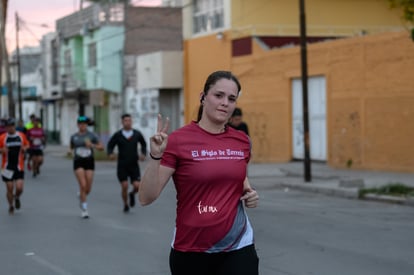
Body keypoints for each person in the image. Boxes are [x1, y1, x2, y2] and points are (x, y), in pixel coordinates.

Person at [139, 71, 260, 275]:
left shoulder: (242, 141)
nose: (225, 103)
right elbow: (145, 197)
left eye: (232, 99)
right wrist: (155, 156)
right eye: (218, 95)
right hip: (191, 249)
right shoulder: (178, 141)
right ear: (203, 97)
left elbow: (238, 178)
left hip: (238, 245)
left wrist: (250, 193)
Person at [107, 114, 147, 213]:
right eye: (125, 120)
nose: (128, 122)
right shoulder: (118, 135)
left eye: (129, 120)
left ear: (131, 122)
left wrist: (143, 153)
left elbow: (143, 144)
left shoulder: (137, 134)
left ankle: (132, 194)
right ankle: (125, 204)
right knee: (124, 185)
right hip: (122, 165)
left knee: (137, 186)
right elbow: (110, 145)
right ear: (122, 122)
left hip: (134, 165)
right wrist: (110, 153)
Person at [68, 116, 103, 218]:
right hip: (78, 162)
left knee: (88, 188)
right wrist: (70, 151)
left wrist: (92, 145)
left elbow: (101, 147)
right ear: (78, 125)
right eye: (80, 124)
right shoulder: (74, 136)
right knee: (82, 185)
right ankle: (84, 209)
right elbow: (71, 146)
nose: (82, 125)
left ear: (86, 125)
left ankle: (81, 195)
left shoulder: (92, 135)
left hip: (89, 162)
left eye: (84, 124)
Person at [0, 118, 30, 215]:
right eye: (8, 126)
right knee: (9, 187)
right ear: (6, 127)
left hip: (19, 166)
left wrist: (24, 148)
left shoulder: (21, 136)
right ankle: (11, 206)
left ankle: (16, 197)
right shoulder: (2, 138)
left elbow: (27, 145)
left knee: (19, 188)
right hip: (7, 167)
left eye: (12, 126)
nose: (10, 128)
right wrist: (2, 150)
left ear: (14, 126)